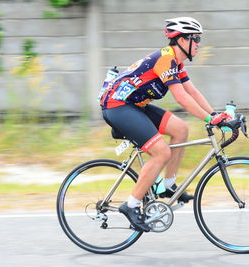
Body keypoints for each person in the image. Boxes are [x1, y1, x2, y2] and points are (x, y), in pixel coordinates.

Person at [99, 17, 230, 232]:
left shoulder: (176, 63)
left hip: (133, 105)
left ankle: (167, 186)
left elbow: (192, 92)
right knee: (161, 153)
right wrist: (209, 120)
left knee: (180, 129)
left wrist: (216, 115)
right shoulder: (165, 61)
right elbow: (181, 98)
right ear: (181, 40)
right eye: (195, 39)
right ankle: (130, 205)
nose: (198, 44)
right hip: (117, 107)